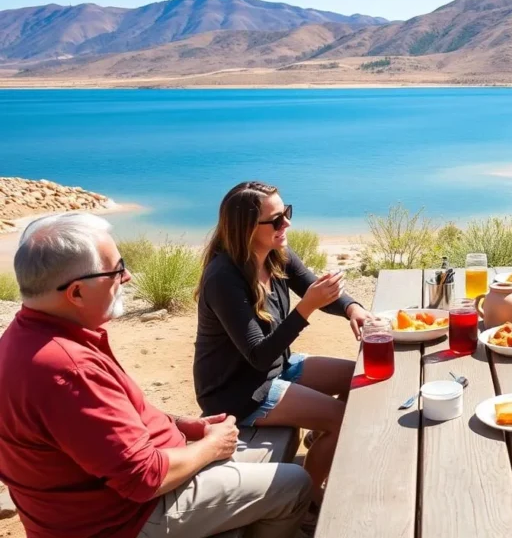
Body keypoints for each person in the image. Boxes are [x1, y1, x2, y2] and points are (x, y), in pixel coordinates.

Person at [0, 213, 312, 538]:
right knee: (294, 485)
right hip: (123, 520)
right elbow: (144, 480)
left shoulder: (28, 337)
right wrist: (211, 445)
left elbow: (102, 422)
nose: (128, 277)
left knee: (282, 437)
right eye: (117, 270)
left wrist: (180, 424)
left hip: (115, 498)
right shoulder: (66, 367)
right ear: (76, 293)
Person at [193, 181, 371, 504]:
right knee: (343, 418)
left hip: (277, 367)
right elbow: (258, 355)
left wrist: (350, 306)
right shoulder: (224, 279)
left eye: (286, 212)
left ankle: (320, 437)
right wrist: (307, 307)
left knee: (360, 377)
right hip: (240, 392)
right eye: (276, 220)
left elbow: (312, 287)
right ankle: (307, 500)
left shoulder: (276, 254)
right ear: (246, 229)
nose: (286, 223)